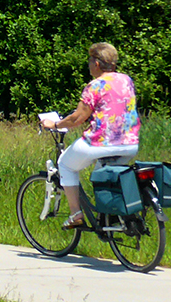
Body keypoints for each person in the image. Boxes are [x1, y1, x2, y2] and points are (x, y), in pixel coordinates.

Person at [41, 42, 140, 229]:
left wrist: (54, 124)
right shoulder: (126, 80)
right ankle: (110, 218)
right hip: (130, 144)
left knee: (65, 164)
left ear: (96, 63)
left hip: (102, 143)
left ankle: (75, 214)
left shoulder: (95, 85)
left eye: (89, 61)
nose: (88, 65)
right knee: (102, 176)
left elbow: (77, 118)